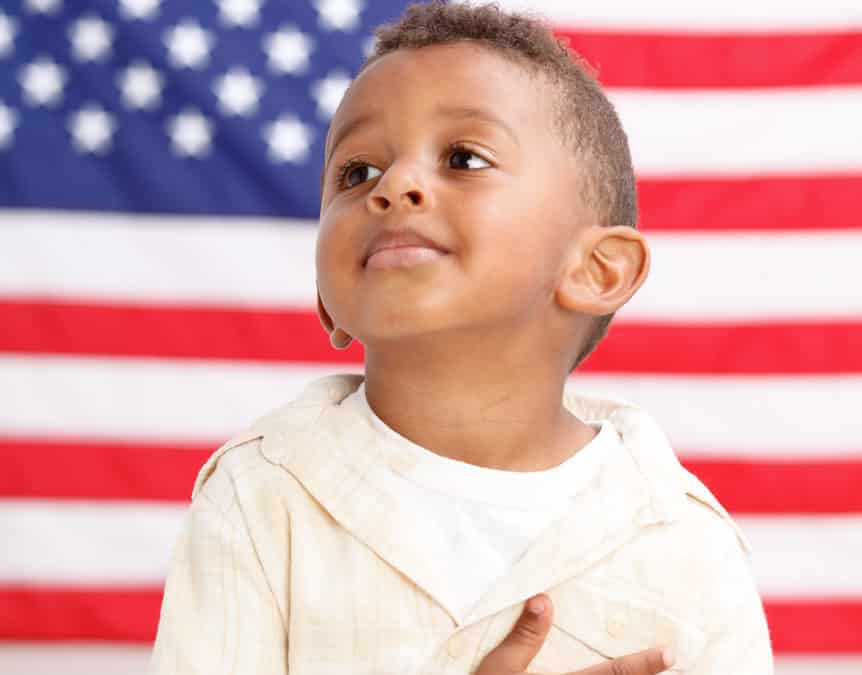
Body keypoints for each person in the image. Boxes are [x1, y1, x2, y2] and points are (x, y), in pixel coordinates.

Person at [149, 3, 773, 673]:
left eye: (463, 158)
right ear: (326, 300)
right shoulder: (260, 498)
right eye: (356, 174)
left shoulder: (686, 544)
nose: (394, 187)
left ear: (597, 270)